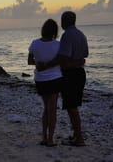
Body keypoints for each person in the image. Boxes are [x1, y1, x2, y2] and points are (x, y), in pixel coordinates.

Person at [37, 11, 88, 146]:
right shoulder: (81, 34)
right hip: (80, 73)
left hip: (70, 75)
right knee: (72, 105)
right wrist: (78, 61)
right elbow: (85, 54)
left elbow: (62, 58)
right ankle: (76, 135)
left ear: (64, 22)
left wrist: (47, 65)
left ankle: (79, 138)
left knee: (72, 107)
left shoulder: (67, 36)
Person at [28, 19, 63, 147]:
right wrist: (48, 65)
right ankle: (50, 139)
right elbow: (60, 61)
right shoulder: (58, 45)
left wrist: (40, 64)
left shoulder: (35, 43)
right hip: (54, 78)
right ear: (55, 31)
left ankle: (44, 136)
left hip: (40, 79)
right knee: (52, 109)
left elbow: (30, 61)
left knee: (47, 108)